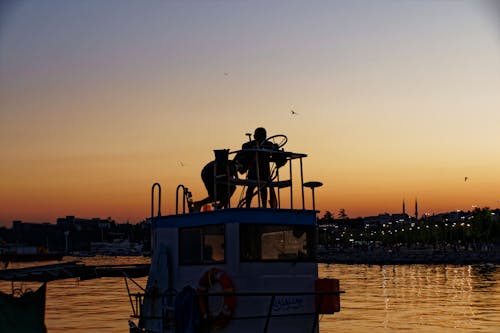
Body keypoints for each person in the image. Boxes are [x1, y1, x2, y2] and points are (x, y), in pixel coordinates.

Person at [235, 127, 281, 208]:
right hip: (253, 170)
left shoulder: (269, 144)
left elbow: (275, 150)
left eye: (261, 135)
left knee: (263, 189)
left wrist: (275, 147)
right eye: (257, 135)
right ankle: (247, 207)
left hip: (264, 171)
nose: (257, 137)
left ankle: (264, 206)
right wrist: (252, 149)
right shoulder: (249, 144)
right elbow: (244, 148)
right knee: (250, 188)